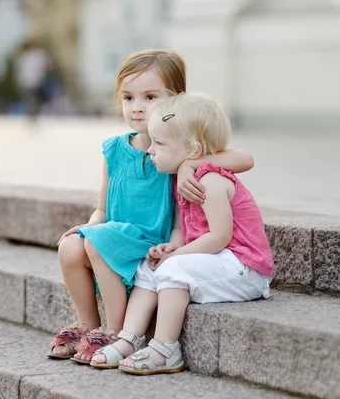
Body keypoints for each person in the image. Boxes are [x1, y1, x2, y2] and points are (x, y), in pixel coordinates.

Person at [47, 50, 256, 364]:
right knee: (71, 246)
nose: (137, 107)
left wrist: (190, 165)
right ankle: (88, 324)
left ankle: (115, 332)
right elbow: (102, 210)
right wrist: (90, 226)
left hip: (147, 244)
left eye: (150, 97)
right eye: (128, 98)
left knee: (96, 243)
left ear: (176, 101)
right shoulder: (114, 149)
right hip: (113, 237)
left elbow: (244, 159)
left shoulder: (176, 152)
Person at [90, 92, 274, 375]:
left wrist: (176, 255)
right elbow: (185, 232)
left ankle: (165, 349)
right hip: (216, 261)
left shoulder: (210, 182)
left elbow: (219, 238)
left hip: (245, 268)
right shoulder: (182, 178)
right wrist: (170, 248)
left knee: (172, 268)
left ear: (193, 150)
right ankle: (129, 339)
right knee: (147, 267)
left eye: (159, 143)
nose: (150, 150)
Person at [14, 38, 50, 122]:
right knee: (29, 99)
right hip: (26, 80)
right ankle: (31, 115)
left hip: (36, 81)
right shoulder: (25, 55)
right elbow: (19, 68)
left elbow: (47, 65)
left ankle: (33, 115)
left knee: (34, 99)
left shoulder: (40, 54)